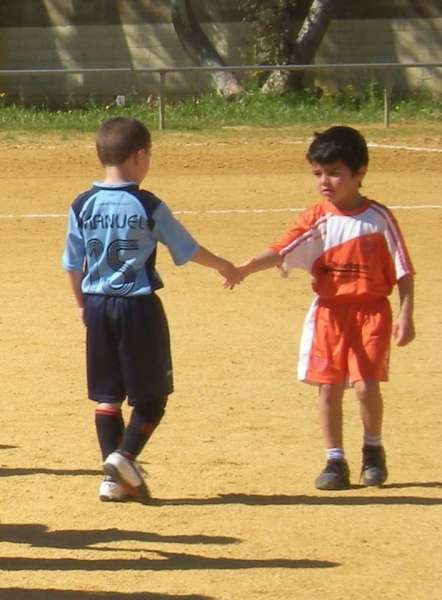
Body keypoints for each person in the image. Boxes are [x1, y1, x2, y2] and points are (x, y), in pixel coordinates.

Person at [62, 116, 242, 503]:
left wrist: (81, 306)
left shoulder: (81, 204)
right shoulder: (147, 204)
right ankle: (123, 457)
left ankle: (112, 480)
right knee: (152, 398)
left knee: (108, 396)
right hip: (137, 307)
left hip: (96, 305)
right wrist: (223, 265)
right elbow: (187, 249)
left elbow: (72, 264)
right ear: (139, 157)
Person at [225, 126, 415, 490]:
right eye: (317, 173)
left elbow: (403, 270)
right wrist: (245, 268)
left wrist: (406, 314)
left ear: (359, 172)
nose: (324, 182)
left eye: (334, 173)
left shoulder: (379, 218)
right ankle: (335, 459)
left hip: (371, 313)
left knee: (366, 386)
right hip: (329, 314)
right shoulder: (315, 217)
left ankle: (373, 450)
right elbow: (281, 249)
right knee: (328, 388)